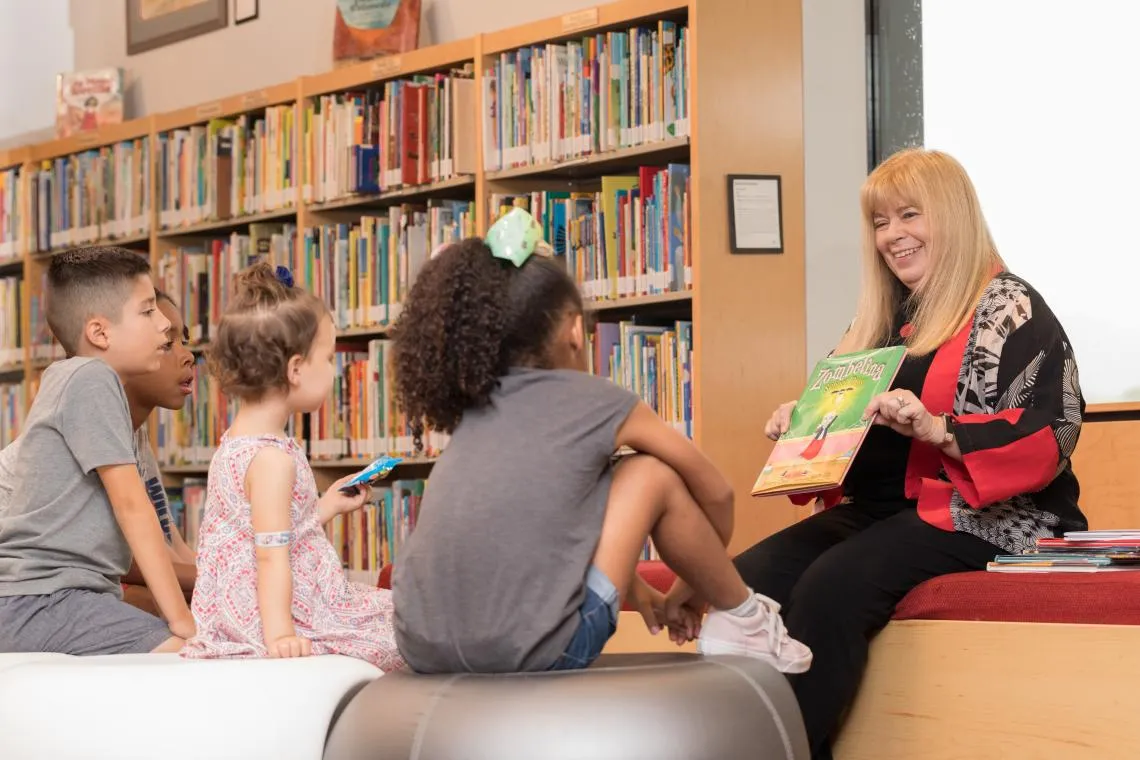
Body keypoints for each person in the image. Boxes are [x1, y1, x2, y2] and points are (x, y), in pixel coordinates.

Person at [731, 148, 1087, 760]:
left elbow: (1052, 431)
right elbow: (842, 426)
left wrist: (940, 429)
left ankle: (784, 751)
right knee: (747, 581)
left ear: (950, 215)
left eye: (909, 216)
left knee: (831, 585)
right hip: (881, 510)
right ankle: (738, 739)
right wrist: (806, 423)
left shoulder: (1011, 307)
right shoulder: (876, 317)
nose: (892, 236)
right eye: (880, 222)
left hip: (987, 514)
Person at [387, 207, 812, 674]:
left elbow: (556, 531)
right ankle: (744, 618)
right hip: (533, 653)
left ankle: (734, 614)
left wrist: (639, 592)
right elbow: (718, 494)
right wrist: (690, 590)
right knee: (650, 472)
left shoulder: (475, 412)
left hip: (420, 648)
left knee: (587, 485)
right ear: (573, 330)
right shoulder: (598, 402)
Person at [180, 262, 405, 671]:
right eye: (330, 357)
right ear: (296, 369)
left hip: (266, 603)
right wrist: (281, 635)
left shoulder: (238, 443)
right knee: (400, 634)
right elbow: (269, 558)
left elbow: (269, 531)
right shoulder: (272, 461)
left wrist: (328, 506)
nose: (334, 371)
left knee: (398, 615)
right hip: (282, 613)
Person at [0, 246, 194, 655]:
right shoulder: (91, 377)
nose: (163, 325)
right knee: (192, 656)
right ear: (99, 333)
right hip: (42, 602)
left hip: (65, 599)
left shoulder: (84, 382)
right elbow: (132, 507)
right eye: (147, 312)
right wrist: (183, 624)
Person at [119, 290, 199, 611]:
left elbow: (169, 543)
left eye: (185, 341)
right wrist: (222, 581)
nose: (188, 356)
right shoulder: (100, 433)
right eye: (169, 343)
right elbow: (121, 562)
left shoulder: (139, 438)